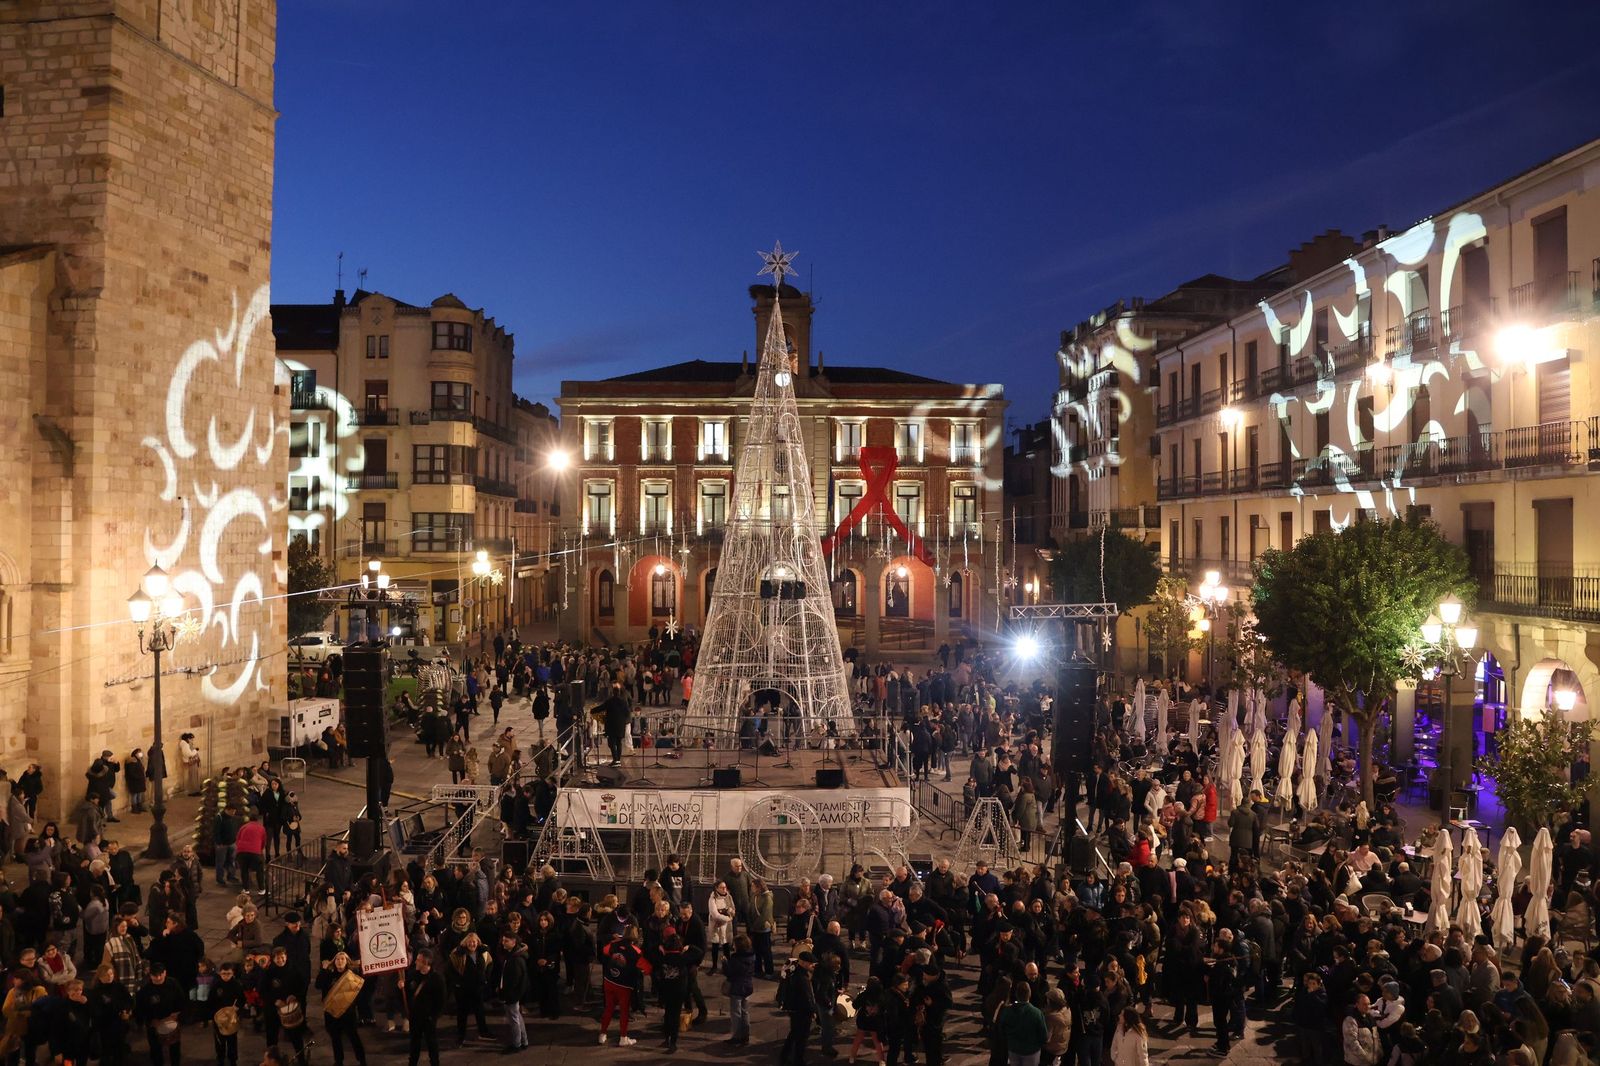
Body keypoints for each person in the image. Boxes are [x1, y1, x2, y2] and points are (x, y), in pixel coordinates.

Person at [316, 950, 367, 1066]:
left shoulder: (352, 975)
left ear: (347, 961)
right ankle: (338, 1062)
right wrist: (323, 970)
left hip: (348, 1012)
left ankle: (362, 1060)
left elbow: (360, 990)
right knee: (335, 1038)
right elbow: (318, 985)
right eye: (337, 959)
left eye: (342, 959)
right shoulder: (329, 974)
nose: (340, 961)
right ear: (334, 962)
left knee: (354, 1037)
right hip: (332, 1012)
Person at [135, 963, 186, 1066]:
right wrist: (150, 1020)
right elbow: (140, 1008)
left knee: (175, 1049)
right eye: (155, 976)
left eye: (160, 975)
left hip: (172, 1021)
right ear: (150, 975)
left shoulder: (173, 984)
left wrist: (178, 1014)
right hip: (154, 1024)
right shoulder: (145, 990)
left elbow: (181, 1000)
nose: (158, 978)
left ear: (165, 973)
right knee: (156, 1051)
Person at [404, 951, 447, 1066]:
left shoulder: (437, 979)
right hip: (415, 1017)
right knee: (414, 1043)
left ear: (426, 962)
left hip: (428, 1018)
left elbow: (441, 1000)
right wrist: (401, 987)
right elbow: (406, 994)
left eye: (418, 960)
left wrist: (433, 1016)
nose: (415, 962)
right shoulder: (413, 975)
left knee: (432, 1043)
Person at [779, 950, 819, 1066]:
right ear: (804, 963)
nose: (812, 966)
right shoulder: (802, 978)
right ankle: (798, 1060)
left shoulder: (794, 971)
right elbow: (807, 997)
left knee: (794, 1034)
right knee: (802, 1037)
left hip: (794, 1009)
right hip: (802, 1011)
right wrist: (813, 1011)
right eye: (811, 964)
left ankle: (784, 1057)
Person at [724, 933, 756, 1047]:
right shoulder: (751, 957)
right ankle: (745, 1036)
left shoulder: (735, 959)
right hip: (747, 986)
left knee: (736, 1013)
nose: (733, 946)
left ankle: (737, 1037)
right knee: (745, 1012)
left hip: (737, 987)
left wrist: (725, 963)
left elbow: (730, 973)